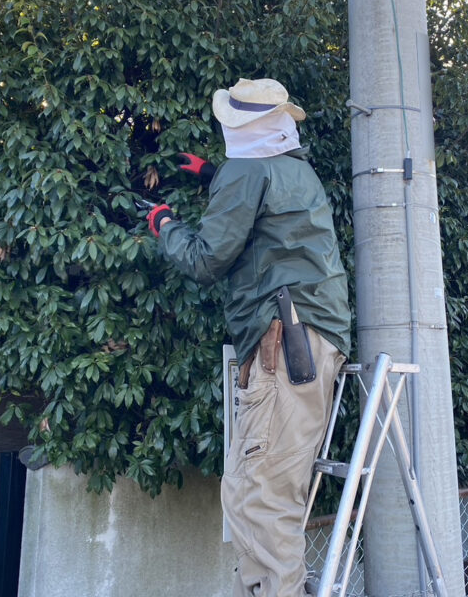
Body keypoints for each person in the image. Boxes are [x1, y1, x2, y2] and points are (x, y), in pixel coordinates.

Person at [146, 77, 351, 597]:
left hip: (285, 343)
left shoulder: (246, 171)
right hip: (311, 335)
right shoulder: (294, 169)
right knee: (249, 492)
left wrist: (164, 224)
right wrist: (213, 176)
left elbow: (205, 259)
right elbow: (273, 218)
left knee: (262, 497)